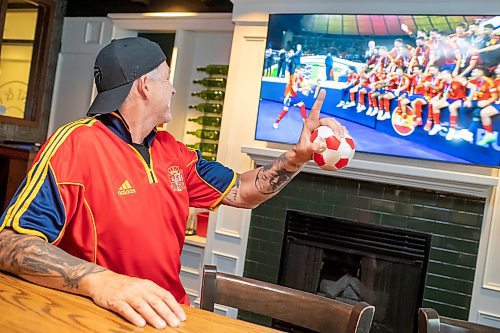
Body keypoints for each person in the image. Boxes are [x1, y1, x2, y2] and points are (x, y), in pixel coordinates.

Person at [0, 37, 345, 329]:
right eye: (167, 78)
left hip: (171, 315)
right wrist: (100, 280)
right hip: (102, 316)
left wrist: (296, 158)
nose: (175, 87)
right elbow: (9, 242)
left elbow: (242, 192)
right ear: (145, 86)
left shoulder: (174, 152)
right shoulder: (75, 144)